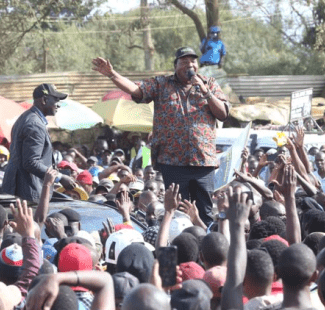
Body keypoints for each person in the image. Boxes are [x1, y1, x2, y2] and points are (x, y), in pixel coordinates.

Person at [92, 47, 229, 224]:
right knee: (179, 213)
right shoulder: (161, 84)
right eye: (184, 61)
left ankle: (206, 245)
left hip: (203, 161)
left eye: (193, 61)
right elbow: (136, 90)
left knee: (205, 211)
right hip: (173, 162)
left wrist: (205, 91)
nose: (190, 65)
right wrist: (112, 74)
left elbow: (223, 113)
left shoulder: (208, 83)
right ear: (175, 65)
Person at [1, 84, 75, 202]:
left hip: (19, 190)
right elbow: (31, 162)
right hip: (27, 194)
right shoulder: (35, 124)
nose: (58, 105)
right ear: (44, 100)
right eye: (56, 100)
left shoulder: (26, 118)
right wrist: (60, 177)